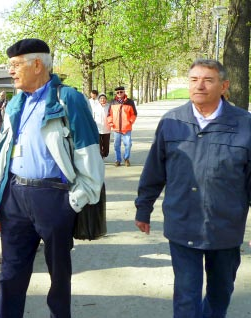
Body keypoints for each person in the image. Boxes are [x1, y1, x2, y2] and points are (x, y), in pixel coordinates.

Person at [0, 38, 104, 318]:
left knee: (58, 276)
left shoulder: (68, 99)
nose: (10, 71)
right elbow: (3, 157)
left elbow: (89, 155)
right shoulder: (15, 104)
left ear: (37, 64)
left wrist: (73, 201)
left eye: (15, 65)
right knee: (10, 274)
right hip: (15, 197)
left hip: (54, 198)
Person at [135, 59, 251, 317]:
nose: (199, 86)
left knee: (221, 291)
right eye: (194, 79)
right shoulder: (171, 122)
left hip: (225, 226)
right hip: (182, 222)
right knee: (186, 295)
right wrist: (143, 208)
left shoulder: (245, 124)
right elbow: (154, 169)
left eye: (208, 80)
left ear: (224, 86)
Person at [107, 85, 137, 167]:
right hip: (116, 128)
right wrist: (111, 123)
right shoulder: (112, 102)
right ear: (116, 93)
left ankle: (126, 158)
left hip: (126, 128)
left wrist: (130, 122)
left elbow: (134, 114)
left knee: (128, 144)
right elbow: (109, 114)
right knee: (116, 145)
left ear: (124, 92)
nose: (119, 93)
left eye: (121, 92)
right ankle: (118, 160)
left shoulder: (130, 102)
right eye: (118, 92)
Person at [90, 93, 111, 158]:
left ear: (106, 100)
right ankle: (100, 155)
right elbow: (93, 117)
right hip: (97, 128)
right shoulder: (95, 107)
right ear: (99, 100)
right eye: (101, 98)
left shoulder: (109, 107)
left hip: (106, 128)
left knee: (106, 143)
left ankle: (105, 154)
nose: (102, 100)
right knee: (99, 143)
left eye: (104, 98)